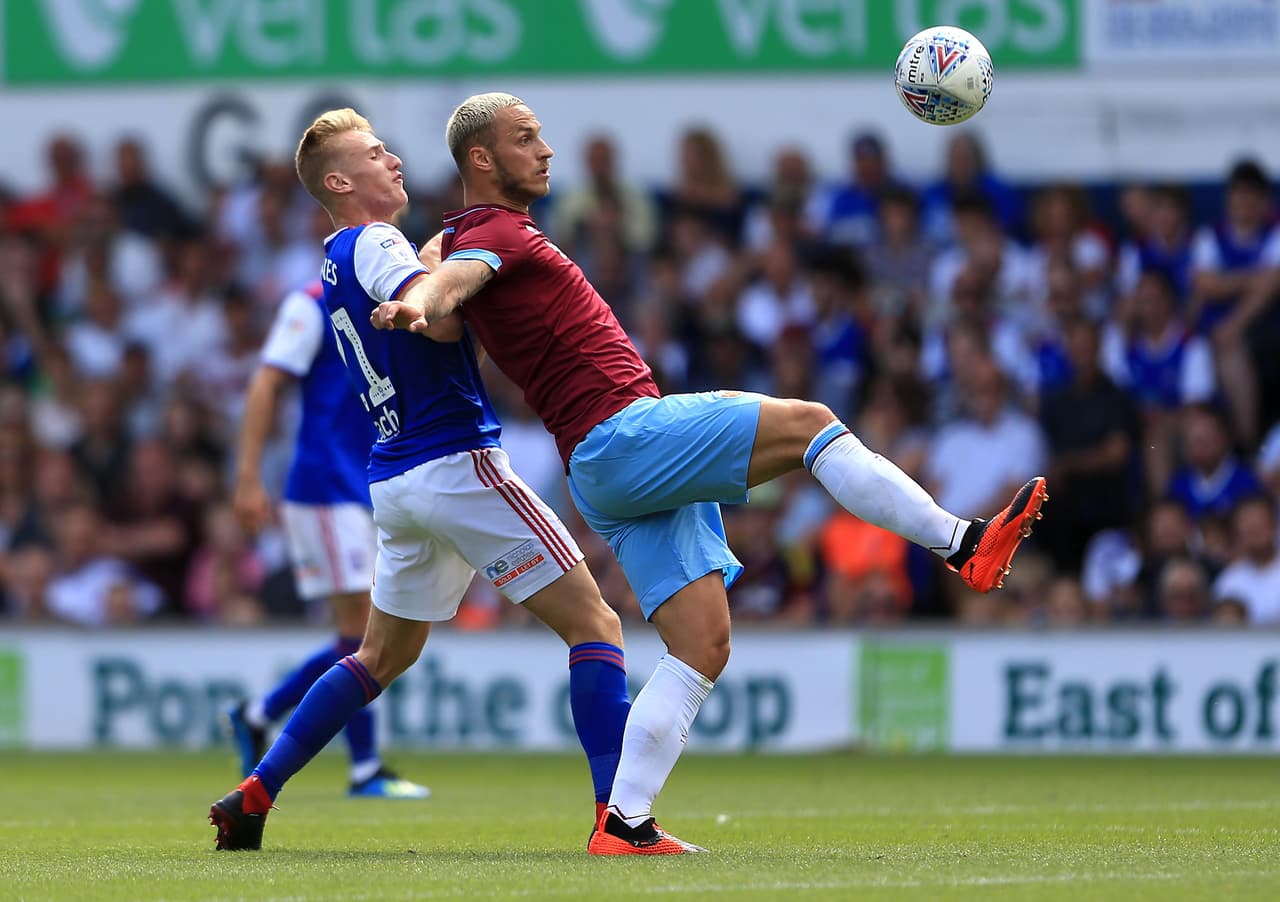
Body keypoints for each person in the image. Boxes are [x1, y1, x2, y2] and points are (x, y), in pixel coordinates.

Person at [373, 92, 1049, 852]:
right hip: (622, 434)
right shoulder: (494, 233)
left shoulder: (474, 232)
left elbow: (445, 271)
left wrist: (417, 279)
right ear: (482, 161)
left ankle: (624, 822)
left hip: (603, 466)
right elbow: (452, 285)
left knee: (702, 644)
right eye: (526, 138)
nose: (547, 150)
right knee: (812, 424)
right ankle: (962, 543)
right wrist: (420, 300)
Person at [209, 109, 637, 853]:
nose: (395, 162)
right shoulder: (376, 240)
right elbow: (432, 320)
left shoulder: (335, 261)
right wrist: (445, 279)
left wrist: (435, 254)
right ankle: (620, 821)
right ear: (340, 181)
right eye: (376, 155)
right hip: (457, 460)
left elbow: (410, 292)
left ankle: (257, 789)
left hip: (395, 479)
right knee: (596, 625)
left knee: (380, 657)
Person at [225, 280, 428, 800]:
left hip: (367, 483)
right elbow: (268, 381)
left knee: (363, 635)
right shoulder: (312, 300)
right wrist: (248, 476)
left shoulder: (399, 295)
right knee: (365, 635)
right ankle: (363, 767)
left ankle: (260, 712)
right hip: (325, 485)